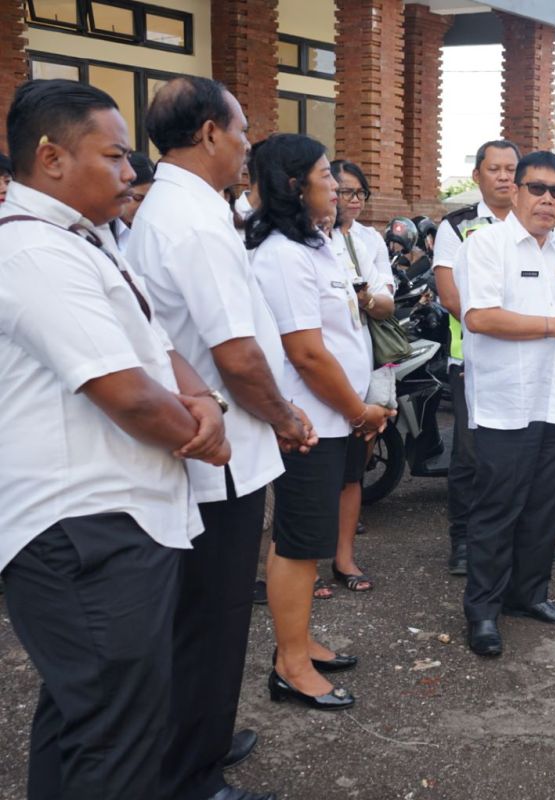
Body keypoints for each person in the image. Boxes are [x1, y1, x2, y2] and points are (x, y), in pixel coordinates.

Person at [0, 78, 228, 800]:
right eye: (116, 156)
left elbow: (160, 353)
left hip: (112, 522)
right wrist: (205, 432)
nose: (133, 172)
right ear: (50, 158)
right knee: (119, 744)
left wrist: (207, 400)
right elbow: (126, 392)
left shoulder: (87, 242)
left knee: (87, 721)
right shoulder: (34, 252)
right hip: (85, 529)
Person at [131, 76, 316, 800]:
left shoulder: (187, 209)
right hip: (221, 453)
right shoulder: (193, 221)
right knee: (210, 622)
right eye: (242, 130)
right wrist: (285, 416)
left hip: (214, 444)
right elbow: (235, 355)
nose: (247, 145)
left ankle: (200, 737)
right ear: (209, 131)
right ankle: (191, 776)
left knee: (204, 619)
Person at [250, 133, 394, 711]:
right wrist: (359, 410)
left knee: (309, 543)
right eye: (324, 175)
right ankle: (289, 665)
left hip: (336, 419)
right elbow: (306, 353)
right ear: (294, 186)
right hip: (311, 423)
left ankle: (302, 640)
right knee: (298, 542)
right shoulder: (282, 255)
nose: (336, 185)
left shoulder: (317, 244)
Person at [456, 150, 555, 657]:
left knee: (542, 509)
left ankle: (529, 596)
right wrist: (552, 326)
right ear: (514, 190)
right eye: (536, 188)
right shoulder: (485, 245)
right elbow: (479, 317)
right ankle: (482, 613)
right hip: (504, 401)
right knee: (497, 508)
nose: (546, 199)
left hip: (552, 397)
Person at [433, 139, 519, 576]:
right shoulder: (458, 226)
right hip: (474, 359)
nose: (504, 177)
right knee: (471, 456)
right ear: (477, 176)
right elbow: (451, 296)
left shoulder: (536, 223)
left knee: (521, 453)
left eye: (510, 169)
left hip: (527, 359)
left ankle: (517, 539)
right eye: (495, 169)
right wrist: (505, 321)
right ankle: (464, 541)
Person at [328, 158, 396, 593]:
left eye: (357, 193)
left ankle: (343, 558)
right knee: (310, 474)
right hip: (317, 371)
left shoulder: (371, 240)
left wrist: (363, 296)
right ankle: (302, 561)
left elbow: (386, 302)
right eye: (340, 191)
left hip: (362, 361)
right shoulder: (305, 238)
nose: (349, 201)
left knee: (354, 466)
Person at [108, 151, 154, 251]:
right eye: (138, 198)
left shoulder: (153, 229)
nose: (143, 207)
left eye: (150, 200)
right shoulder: (101, 229)